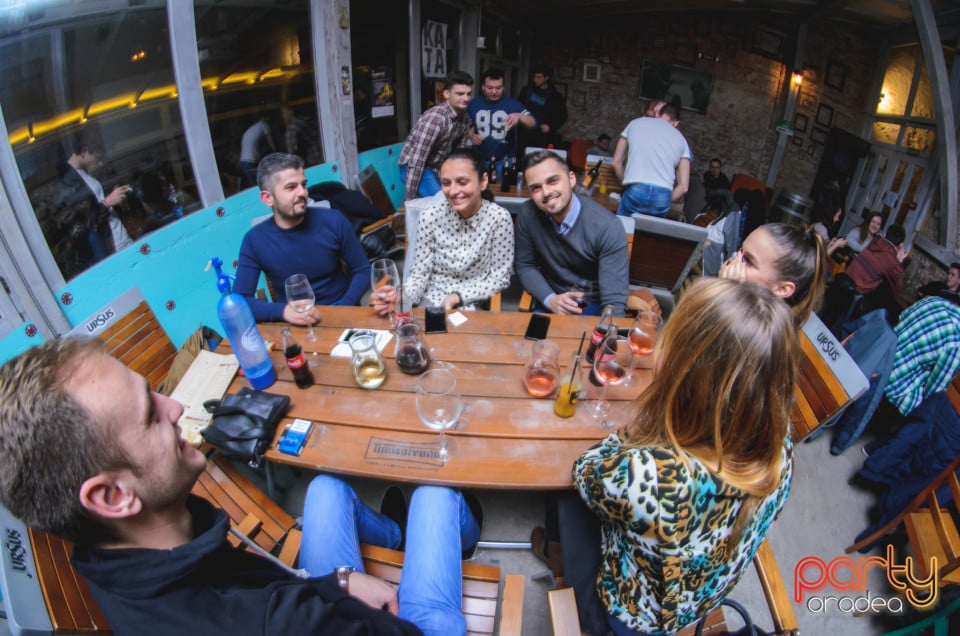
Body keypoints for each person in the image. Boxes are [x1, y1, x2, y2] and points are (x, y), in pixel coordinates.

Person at [0, 338, 482, 636]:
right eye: (149, 413)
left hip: (307, 596)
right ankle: (448, 535)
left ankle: (397, 536)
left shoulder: (117, 560)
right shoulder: (273, 621)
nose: (175, 407)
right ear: (112, 496)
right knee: (435, 495)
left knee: (325, 488)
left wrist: (336, 581)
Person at [563, 278, 796, 635]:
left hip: (634, 617)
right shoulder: (782, 445)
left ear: (685, 370)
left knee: (565, 498)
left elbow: (585, 471)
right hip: (700, 595)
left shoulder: (649, 476)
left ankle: (557, 562)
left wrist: (641, 429)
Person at [233, 153, 371, 324]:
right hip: (295, 321)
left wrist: (344, 306)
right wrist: (283, 311)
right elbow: (240, 301)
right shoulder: (254, 241)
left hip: (342, 311)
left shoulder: (334, 220)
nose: (303, 192)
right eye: (291, 187)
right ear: (268, 198)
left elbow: (362, 269)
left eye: (303, 185)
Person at [375, 149, 514, 312]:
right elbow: (419, 275)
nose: (453, 191)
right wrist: (401, 297)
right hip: (431, 300)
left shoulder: (499, 218)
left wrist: (458, 297)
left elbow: (499, 278)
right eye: (446, 183)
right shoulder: (430, 216)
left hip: (471, 303)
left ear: (483, 181)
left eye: (462, 182)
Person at [514, 150, 629, 316]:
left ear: (571, 179)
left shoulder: (607, 226)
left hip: (592, 304)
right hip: (552, 297)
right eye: (536, 188)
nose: (546, 192)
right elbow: (525, 265)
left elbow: (613, 301)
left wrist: (606, 328)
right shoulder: (528, 213)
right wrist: (550, 299)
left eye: (553, 181)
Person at [719, 222, 827, 327]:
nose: (735, 258)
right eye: (740, 251)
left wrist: (727, 297)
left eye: (748, 260)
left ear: (782, 289)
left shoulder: (759, 334)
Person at [56, 134, 135, 263]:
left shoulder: (81, 176)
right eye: (98, 158)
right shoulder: (69, 182)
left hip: (120, 245)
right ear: (84, 151)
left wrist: (112, 198)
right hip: (114, 252)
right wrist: (107, 202)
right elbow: (79, 226)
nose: (101, 163)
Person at [398, 71, 474, 201]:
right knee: (444, 202)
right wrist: (409, 201)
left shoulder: (465, 120)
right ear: (446, 94)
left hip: (438, 167)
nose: (466, 98)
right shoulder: (435, 119)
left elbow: (458, 156)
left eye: (468, 94)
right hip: (414, 166)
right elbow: (417, 160)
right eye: (460, 94)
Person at [818, 224, 908, 335]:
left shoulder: (874, 243)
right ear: (900, 245)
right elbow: (898, 288)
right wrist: (899, 261)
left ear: (885, 235)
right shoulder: (892, 261)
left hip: (840, 283)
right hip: (852, 298)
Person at [612, 102, 691, 218]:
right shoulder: (682, 140)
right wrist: (666, 199)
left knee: (623, 226)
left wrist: (626, 184)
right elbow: (684, 187)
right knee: (650, 229)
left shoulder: (635, 123)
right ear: (676, 123)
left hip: (636, 187)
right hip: (662, 194)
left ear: (658, 114)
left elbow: (616, 162)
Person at [467, 68, 534, 181]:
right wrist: (470, 135)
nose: (494, 91)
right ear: (483, 87)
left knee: (503, 190)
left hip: (504, 161)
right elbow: (462, 126)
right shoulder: (473, 104)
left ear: (503, 87)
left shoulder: (513, 104)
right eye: (490, 88)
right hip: (478, 160)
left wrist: (520, 116)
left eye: (498, 88)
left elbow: (532, 122)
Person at [518, 64, 568, 149]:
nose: (535, 80)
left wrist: (550, 127)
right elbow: (518, 108)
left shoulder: (555, 96)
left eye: (539, 77)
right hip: (524, 134)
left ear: (546, 78)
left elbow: (563, 116)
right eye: (534, 77)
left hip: (542, 137)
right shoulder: (526, 91)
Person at [239, 115, 276, 188]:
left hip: (243, 161)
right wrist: (275, 152)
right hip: (250, 162)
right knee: (259, 185)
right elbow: (271, 141)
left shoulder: (254, 127)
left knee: (254, 185)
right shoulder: (264, 125)